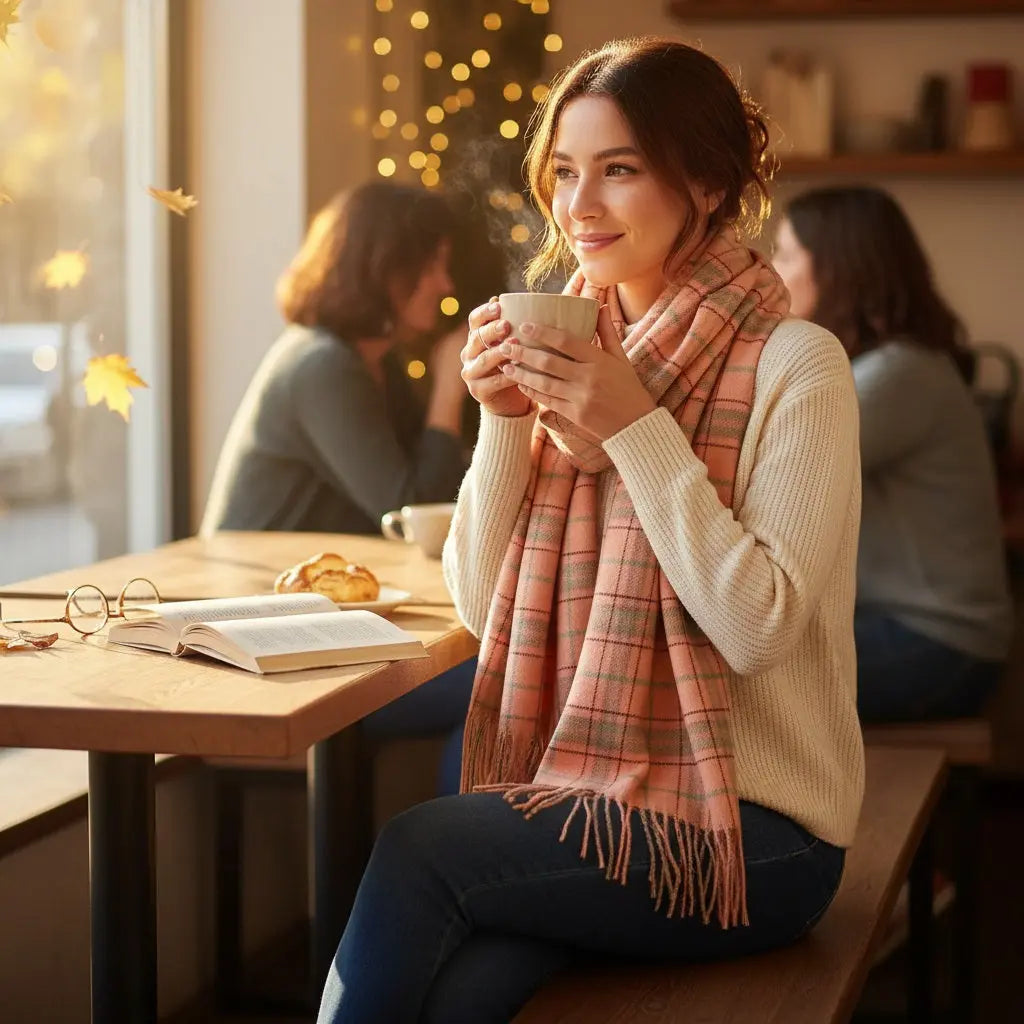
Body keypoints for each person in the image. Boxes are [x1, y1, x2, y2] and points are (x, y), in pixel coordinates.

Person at [318, 38, 864, 1023]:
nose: (578, 206)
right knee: (464, 991)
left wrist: (635, 428)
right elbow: (486, 612)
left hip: (760, 833)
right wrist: (503, 418)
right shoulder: (571, 344)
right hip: (595, 802)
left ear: (703, 182)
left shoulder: (798, 365)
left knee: (419, 847)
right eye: (564, 173)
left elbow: (756, 626)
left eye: (618, 170)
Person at [201, 181, 476, 794]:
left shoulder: (369, 366)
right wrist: (447, 392)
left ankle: (450, 853)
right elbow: (411, 509)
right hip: (269, 657)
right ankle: (448, 861)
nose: (446, 285)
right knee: (498, 682)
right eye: (432, 265)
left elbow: (447, 496)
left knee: (501, 676)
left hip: (315, 642)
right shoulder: (322, 366)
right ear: (385, 268)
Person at [772, 186, 1012, 723]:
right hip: (913, 631)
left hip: (935, 642)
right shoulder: (899, 366)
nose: (771, 273)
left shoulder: (896, 376)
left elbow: (775, 472)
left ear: (837, 269)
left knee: (739, 672)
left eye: (784, 254)